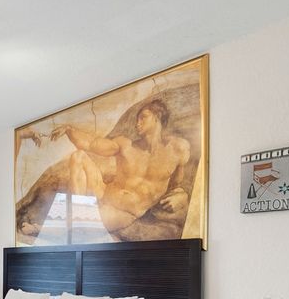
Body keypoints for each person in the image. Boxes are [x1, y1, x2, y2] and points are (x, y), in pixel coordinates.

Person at [50, 99, 191, 235]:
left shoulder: (178, 149)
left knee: (83, 227)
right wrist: (69, 130)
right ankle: (77, 210)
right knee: (79, 156)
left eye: (143, 118)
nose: (137, 123)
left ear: (157, 118)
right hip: (103, 192)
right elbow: (91, 144)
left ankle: (66, 223)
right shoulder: (126, 145)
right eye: (137, 119)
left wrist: (182, 196)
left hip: (124, 211)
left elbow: (176, 185)